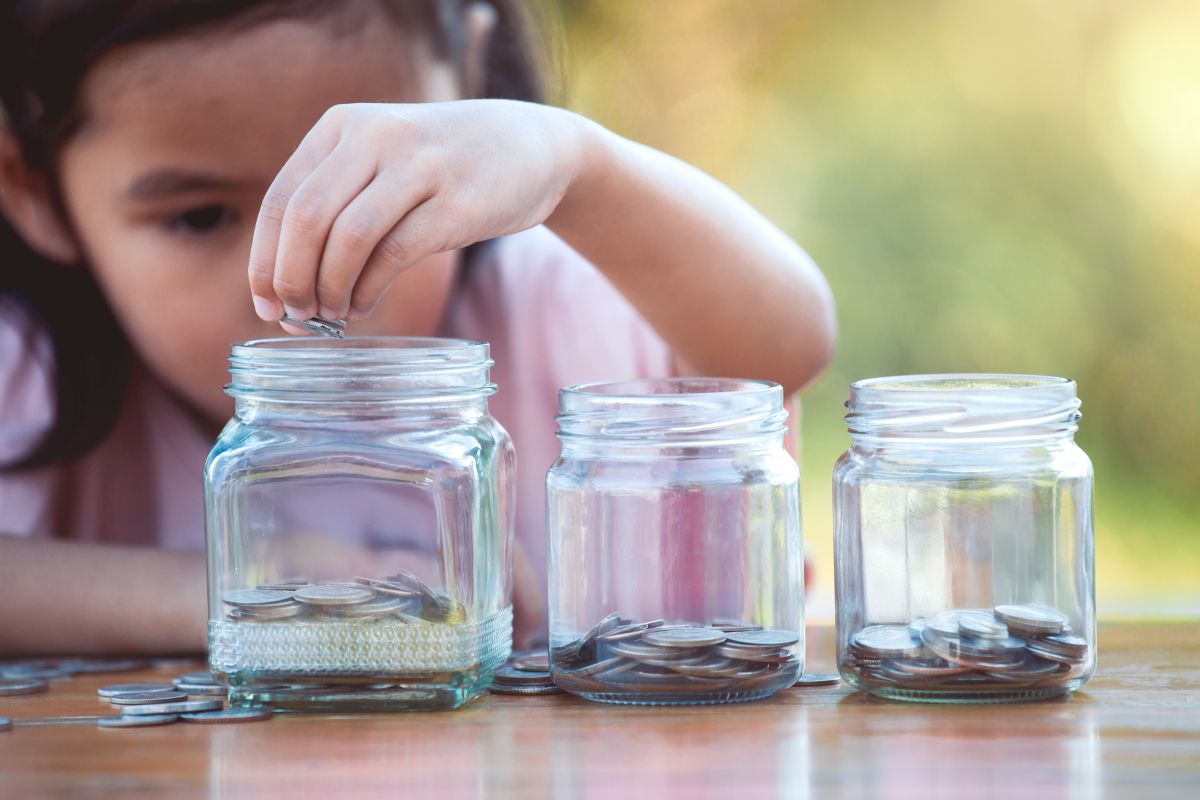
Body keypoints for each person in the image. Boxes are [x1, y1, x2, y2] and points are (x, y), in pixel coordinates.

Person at [0, 0, 836, 655]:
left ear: (468, 76)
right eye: (200, 217)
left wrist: (575, 164)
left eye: (374, 197)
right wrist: (275, 586)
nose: (300, 276)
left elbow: (782, 349)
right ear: (32, 189)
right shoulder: (33, 370)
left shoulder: (559, 301)